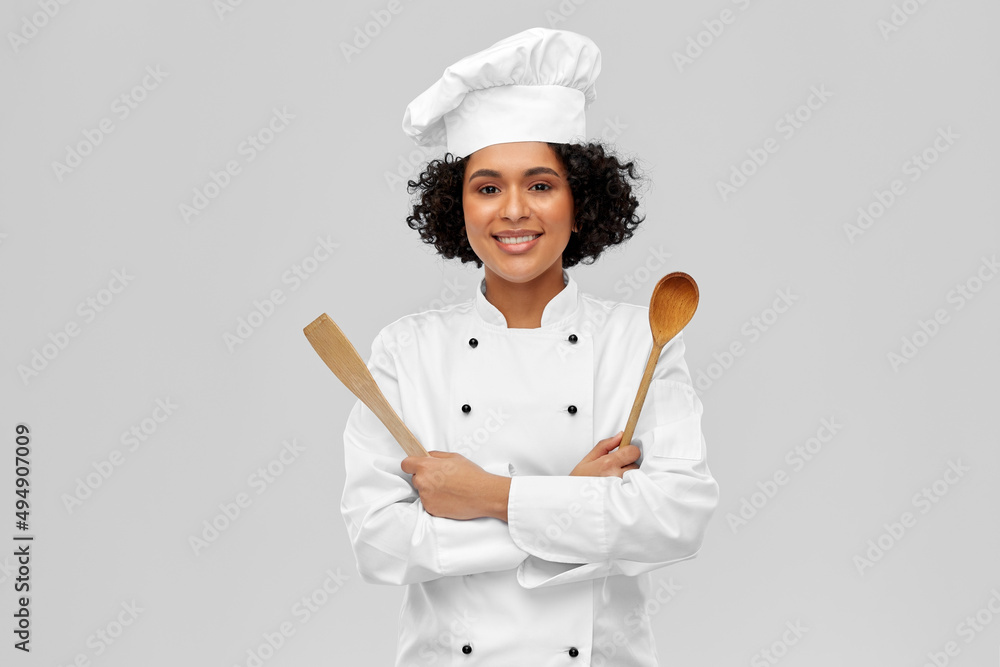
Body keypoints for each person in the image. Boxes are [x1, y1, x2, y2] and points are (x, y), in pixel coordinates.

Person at [340, 27, 719, 666]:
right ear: (456, 206)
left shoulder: (641, 340)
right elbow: (379, 545)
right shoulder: (406, 350)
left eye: (540, 185)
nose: (513, 210)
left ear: (581, 200)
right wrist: (575, 507)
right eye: (487, 188)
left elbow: (678, 517)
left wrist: (488, 495)